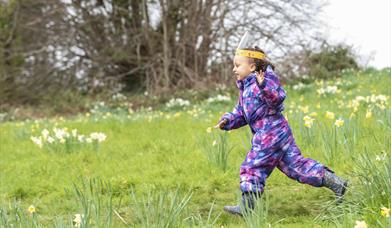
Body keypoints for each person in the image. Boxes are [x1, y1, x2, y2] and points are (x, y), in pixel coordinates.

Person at [214, 32, 348, 216]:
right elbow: (242, 112)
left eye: (238, 65)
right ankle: (337, 183)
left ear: (252, 66)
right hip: (278, 133)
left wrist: (263, 86)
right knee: (295, 166)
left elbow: (277, 98)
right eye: (234, 66)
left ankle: (247, 207)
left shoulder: (265, 80)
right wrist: (228, 120)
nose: (234, 69)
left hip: (270, 133)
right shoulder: (246, 88)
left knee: (253, 165)